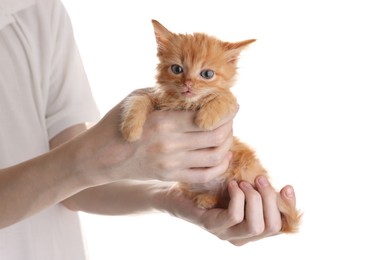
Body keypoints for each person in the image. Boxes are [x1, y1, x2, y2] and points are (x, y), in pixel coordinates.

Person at [0, 0, 298, 259]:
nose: (189, 83)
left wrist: (170, 198)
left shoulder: (38, 10)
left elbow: (72, 191)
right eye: (179, 69)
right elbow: (76, 168)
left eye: (205, 74)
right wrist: (94, 156)